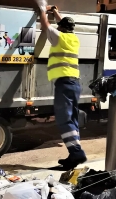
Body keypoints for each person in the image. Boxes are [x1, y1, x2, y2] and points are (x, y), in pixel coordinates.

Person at [38, 5, 87, 170]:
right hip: (74, 83)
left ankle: (76, 152)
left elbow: (45, 26)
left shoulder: (58, 37)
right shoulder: (73, 38)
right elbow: (64, 24)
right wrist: (56, 13)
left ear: (61, 28)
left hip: (64, 84)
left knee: (64, 119)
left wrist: (42, 11)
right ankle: (74, 154)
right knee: (71, 119)